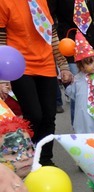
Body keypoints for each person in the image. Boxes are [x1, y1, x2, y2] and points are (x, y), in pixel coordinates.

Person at [0, 0, 73, 166]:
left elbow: (52, 34)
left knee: (49, 114)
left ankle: (45, 159)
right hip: (20, 65)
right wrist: (3, 75)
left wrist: (63, 65)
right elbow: (1, 38)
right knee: (33, 114)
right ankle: (30, 157)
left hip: (46, 63)